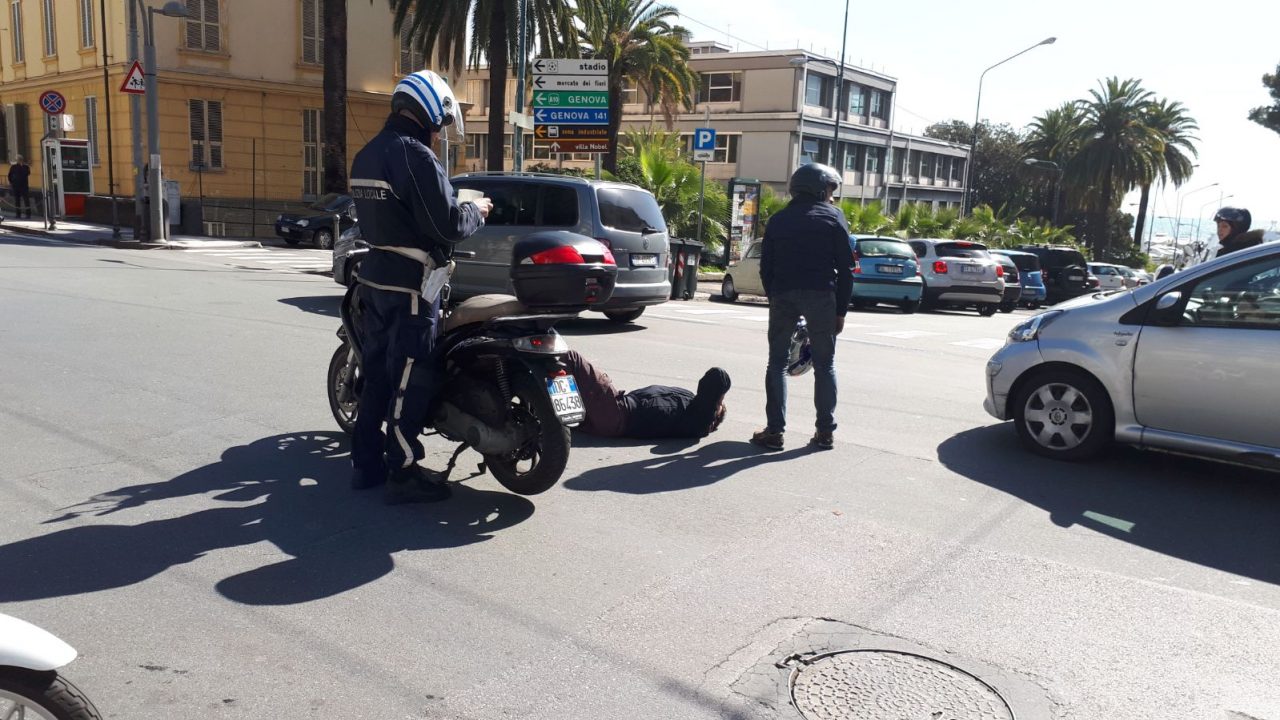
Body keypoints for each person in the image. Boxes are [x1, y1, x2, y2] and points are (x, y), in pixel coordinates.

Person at [347, 70, 492, 504]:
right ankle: (405, 469)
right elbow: (447, 225)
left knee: (376, 376)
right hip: (412, 286)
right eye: (441, 121)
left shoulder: (367, 155)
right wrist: (477, 210)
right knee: (410, 379)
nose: (439, 131)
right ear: (430, 108)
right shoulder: (414, 156)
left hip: (375, 277)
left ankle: (366, 464)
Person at [751, 163, 854, 451]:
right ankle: (825, 432)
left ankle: (774, 432)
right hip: (822, 295)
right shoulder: (834, 218)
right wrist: (841, 310)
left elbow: (766, 266)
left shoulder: (778, 220)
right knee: (825, 365)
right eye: (831, 190)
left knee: (776, 364)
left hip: (783, 293)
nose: (832, 197)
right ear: (820, 189)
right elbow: (846, 269)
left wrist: (775, 297)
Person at [565, 351, 731, 440]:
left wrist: (717, 402)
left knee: (571, 359)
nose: (720, 402)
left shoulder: (699, 423)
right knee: (571, 376)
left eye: (719, 404)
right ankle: (560, 414)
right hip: (616, 409)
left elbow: (718, 377)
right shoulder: (690, 402)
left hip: (618, 413)